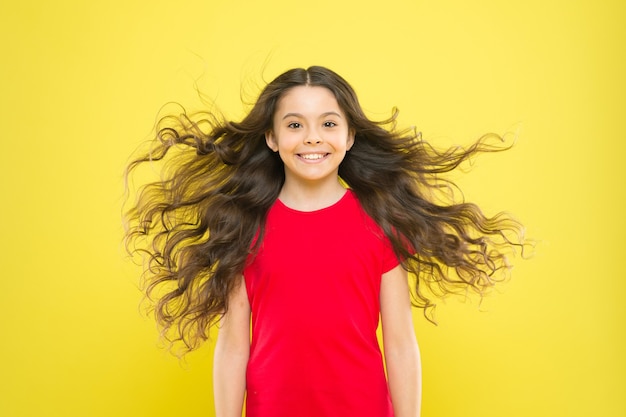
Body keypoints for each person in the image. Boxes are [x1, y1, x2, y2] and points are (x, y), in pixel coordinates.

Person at [124, 66, 526, 417]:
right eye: (295, 125)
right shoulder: (244, 225)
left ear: (350, 136)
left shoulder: (381, 223)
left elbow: (401, 345)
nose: (312, 138)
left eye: (329, 124)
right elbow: (232, 347)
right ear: (271, 137)